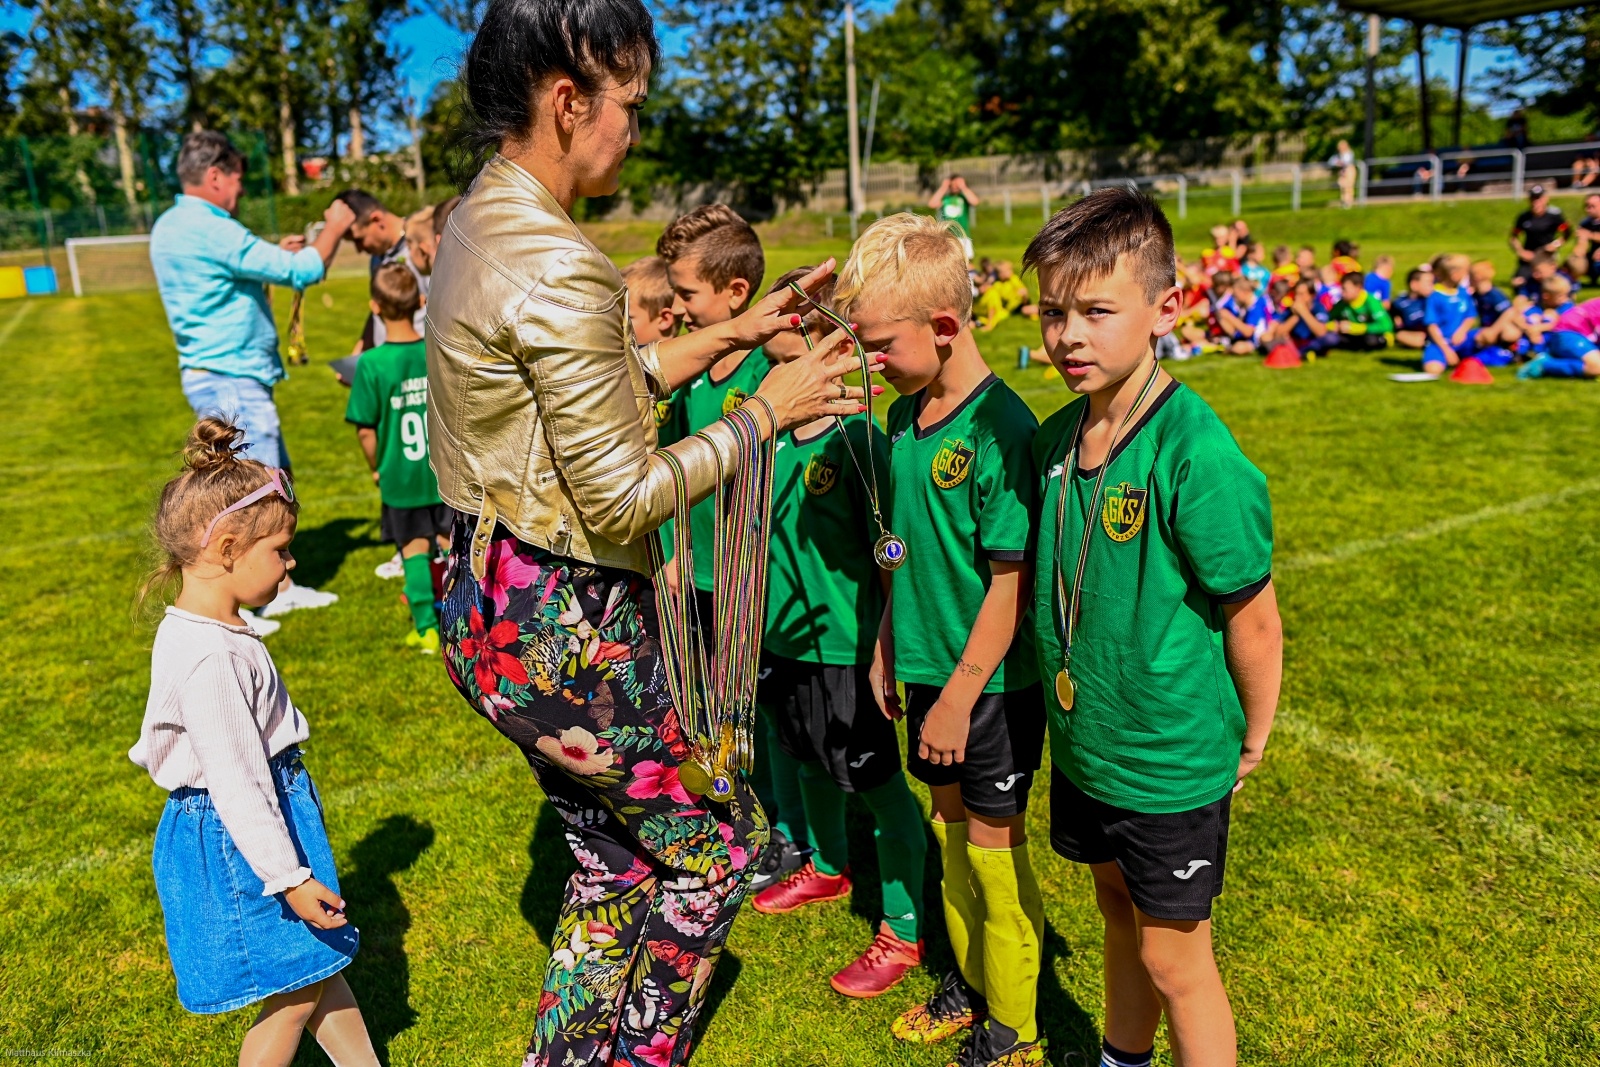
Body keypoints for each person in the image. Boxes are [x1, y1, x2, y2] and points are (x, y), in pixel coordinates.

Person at [425, 3, 870, 1062]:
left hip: (484, 608)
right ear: (567, 100)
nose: (635, 128)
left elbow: (577, 399)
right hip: (562, 625)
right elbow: (621, 494)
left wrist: (732, 333)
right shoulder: (562, 265)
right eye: (628, 104)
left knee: (613, 860)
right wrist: (766, 408)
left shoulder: (477, 218)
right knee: (712, 856)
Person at [1022, 185, 1281, 1067]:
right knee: (1115, 916)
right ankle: (1121, 1057)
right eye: (1053, 312)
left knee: (1177, 959)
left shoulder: (1195, 450)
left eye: (1097, 311)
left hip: (1167, 757)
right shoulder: (1056, 439)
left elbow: (1253, 615)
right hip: (1089, 745)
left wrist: (1253, 735)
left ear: (1166, 308)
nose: (1069, 336)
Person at [845, 213, 1046, 1067]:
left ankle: (1018, 1034)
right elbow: (901, 543)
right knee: (948, 832)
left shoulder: (1003, 430)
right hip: (926, 670)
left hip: (989, 686)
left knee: (995, 858)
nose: (870, 362)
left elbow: (1010, 585)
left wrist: (959, 697)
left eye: (879, 343)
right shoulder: (898, 421)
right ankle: (970, 986)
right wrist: (890, 633)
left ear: (944, 327)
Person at [129, 419, 377, 1066]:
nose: (291, 564)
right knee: (293, 993)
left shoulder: (208, 628)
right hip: (241, 836)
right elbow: (238, 781)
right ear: (229, 547)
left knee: (317, 966)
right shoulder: (210, 658)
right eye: (283, 551)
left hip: (266, 819)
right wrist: (289, 878)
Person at [747, 267, 930, 1000]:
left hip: (846, 652)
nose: (774, 374)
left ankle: (904, 926)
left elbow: (891, 551)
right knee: (807, 760)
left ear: (828, 355)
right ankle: (824, 864)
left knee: (880, 787)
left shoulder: (858, 443)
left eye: (787, 359)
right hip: (783, 645)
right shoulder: (772, 443)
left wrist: (890, 641)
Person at [149, 130, 353, 630]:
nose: (239, 191)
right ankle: (245, 602)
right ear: (215, 175)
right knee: (256, 495)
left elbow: (222, 281)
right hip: (232, 379)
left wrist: (265, 258)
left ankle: (277, 592)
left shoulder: (172, 224)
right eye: (236, 180)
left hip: (214, 374)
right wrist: (335, 225)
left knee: (253, 486)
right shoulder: (208, 226)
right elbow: (303, 269)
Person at [344, 264, 449, 655]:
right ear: (421, 302)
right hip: (442, 472)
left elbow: (366, 430)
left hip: (400, 477)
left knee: (413, 550)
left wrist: (376, 465)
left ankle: (426, 629)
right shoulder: (435, 351)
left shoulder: (370, 364)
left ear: (374, 306)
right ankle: (466, 616)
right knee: (451, 544)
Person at [335, 189, 428, 351]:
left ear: (377, 220)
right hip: (387, 363)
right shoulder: (377, 258)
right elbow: (380, 309)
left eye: (359, 239)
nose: (358, 249)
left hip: (418, 363)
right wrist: (361, 347)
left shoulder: (421, 250)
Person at [1422, 254, 1480, 376]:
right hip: (1441, 343)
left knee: (1485, 335)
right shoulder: (1434, 296)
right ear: (1454, 275)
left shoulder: (1463, 293)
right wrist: (1447, 350)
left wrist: (1462, 331)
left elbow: (1470, 316)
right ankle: (1447, 358)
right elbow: (1431, 325)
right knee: (1433, 370)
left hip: (1462, 339)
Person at [1518, 295, 1600, 380]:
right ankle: (1544, 365)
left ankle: (1556, 358)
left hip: (1579, 335)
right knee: (1596, 367)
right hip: (1569, 332)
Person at [1509, 185, 1571, 282]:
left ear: (1545, 199)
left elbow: (1567, 233)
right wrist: (1521, 251)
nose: (1536, 202)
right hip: (1529, 256)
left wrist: (1555, 245)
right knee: (1519, 282)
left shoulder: (1554, 215)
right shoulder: (1524, 217)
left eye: (1538, 199)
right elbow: (1513, 237)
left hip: (1546, 255)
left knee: (1547, 282)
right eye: (1533, 199)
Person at [1327, 271, 1394, 350]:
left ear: (1358, 288)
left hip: (1370, 334)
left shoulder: (1371, 302)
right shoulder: (1342, 304)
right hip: (1352, 335)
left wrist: (1360, 328)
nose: (1342, 293)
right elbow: (1327, 319)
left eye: (1345, 289)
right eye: (1341, 288)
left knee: (1370, 341)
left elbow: (1386, 325)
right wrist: (1336, 326)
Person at [1467, 261, 1522, 354]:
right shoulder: (1476, 295)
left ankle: (1512, 350)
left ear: (1477, 277)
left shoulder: (1494, 295)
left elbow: (1509, 312)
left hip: (1499, 326)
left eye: (1470, 277)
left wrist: (1494, 330)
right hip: (1486, 327)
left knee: (1509, 333)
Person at [1214, 273, 1270, 355]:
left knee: (1239, 348)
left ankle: (1227, 348)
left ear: (1244, 292)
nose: (1234, 298)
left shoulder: (1257, 306)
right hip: (1243, 339)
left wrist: (1229, 317)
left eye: (1236, 295)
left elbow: (1248, 332)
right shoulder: (1245, 306)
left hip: (1257, 341)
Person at [929, 173, 980, 259]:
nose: (955, 187)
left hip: (963, 234)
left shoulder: (963, 197)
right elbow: (932, 204)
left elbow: (975, 202)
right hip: (947, 235)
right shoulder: (945, 198)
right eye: (952, 184)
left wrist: (963, 187)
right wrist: (943, 188)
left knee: (966, 260)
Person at [975, 260, 1034, 330]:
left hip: (1019, 304)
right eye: (1008, 271)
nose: (1011, 272)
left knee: (1028, 310)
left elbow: (1023, 291)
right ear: (1000, 274)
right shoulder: (997, 284)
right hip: (1007, 307)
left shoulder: (1013, 279)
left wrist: (1023, 296)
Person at [1391, 268, 1433, 350]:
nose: (1432, 286)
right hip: (1416, 334)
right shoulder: (1399, 303)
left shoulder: (1433, 300)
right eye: (1428, 283)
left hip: (1435, 330)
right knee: (1401, 336)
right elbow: (1397, 325)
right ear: (1414, 284)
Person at [1574, 193, 1600, 288]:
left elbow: (1587, 235)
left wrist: (1590, 235)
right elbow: (1581, 244)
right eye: (1587, 206)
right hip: (1593, 256)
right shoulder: (1585, 223)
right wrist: (1578, 257)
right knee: (1575, 260)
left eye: (1592, 206)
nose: (1588, 209)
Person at [1330, 138, 1357, 208]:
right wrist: (1338, 163)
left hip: (1349, 171)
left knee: (1349, 187)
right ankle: (1343, 202)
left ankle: (1348, 202)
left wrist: (1339, 163)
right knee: (1342, 186)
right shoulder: (1338, 155)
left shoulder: (1349, 153)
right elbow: (1331, 161)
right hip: (1342, 171)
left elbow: (1346, 162)